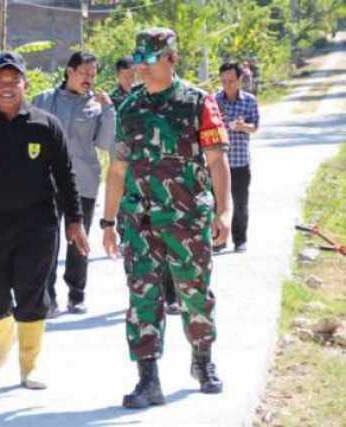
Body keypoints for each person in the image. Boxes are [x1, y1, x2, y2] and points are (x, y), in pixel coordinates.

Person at [102, 28, 231, 409]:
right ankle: (147, 379)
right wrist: (108, 223)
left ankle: (203, 362)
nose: (141, 66)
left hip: (188, 219)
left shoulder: (197, 102)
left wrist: (224, 210)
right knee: (143, 296)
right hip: (139, 222)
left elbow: (217, 161)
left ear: (171, 59)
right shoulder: (128, 108)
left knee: (194, 292)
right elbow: (117, 170)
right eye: (138, 59)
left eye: (149, 59)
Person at [0, 52, 89, 390]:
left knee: (32, 294)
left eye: (14, 81)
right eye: (0, 81)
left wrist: (75, 220)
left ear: (25, 84)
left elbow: (66, 176)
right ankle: (4, 331)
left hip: (38, 224)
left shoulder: (45, 125)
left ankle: (29, 365)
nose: (7, 87)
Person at [33, 51, 116, 317]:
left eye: (93, 75)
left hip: (84, 183)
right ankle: (48, 299)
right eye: (84, 74)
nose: (89, 80)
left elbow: (105, 143)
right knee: (47, 241)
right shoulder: (44, 100)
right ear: (70, 71)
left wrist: (110, 110)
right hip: (48, 183)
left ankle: (76, 295)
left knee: (78, 240)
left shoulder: (97, 105)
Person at [110, 57, 179, 314]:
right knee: (135, 249)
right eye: (128, 74)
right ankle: (142, 295)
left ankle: (170, 296)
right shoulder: (121, 104)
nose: (133, 77)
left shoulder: (165, 100)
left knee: (170, 247)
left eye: (134, 72)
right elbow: (116, 162)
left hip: (166, 192)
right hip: (131, 192)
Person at [216, 62, 260, 252]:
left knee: (240, 204)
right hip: (218, 163)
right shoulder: (214, 101)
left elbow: (255, 127)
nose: (228, 85)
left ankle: (240, 239)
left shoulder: (249, 101)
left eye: (232, 81)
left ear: (240, 79)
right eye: (224, 81)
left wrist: (243, 126)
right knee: (217, 204)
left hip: (240, 162)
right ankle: (217, 240)